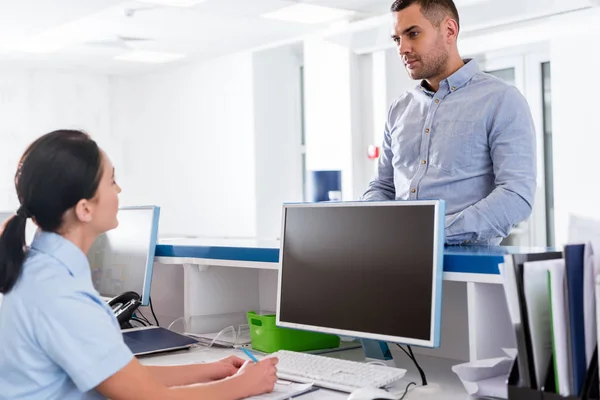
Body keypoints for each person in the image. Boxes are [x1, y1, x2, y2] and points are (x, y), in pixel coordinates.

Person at [0, 130, 278, 400]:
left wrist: (209, 370)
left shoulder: (38, 271)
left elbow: (119, 377)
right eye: (111, 181)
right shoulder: (62, 295)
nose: (119, 189)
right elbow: (147, 397)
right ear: (85, 209)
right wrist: (243, 386)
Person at [362, 0, 537, 245]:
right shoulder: (399, 109)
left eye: (413, 34)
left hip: (467, 272)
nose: (402, 48)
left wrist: (434, 234)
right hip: (397, 261)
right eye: (397, 39)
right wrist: (372, 221)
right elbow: (382, 186)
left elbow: (516, 196)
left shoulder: (501, 100)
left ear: (450, 31)